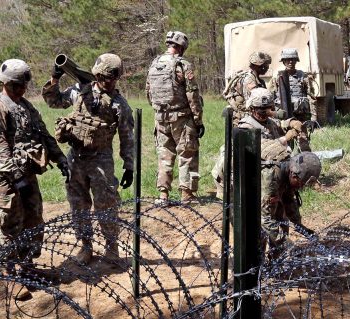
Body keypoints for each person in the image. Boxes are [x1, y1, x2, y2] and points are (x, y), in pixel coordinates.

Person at [0, 59, 69, 300]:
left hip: (26, 175)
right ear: (5, 82)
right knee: (10, 226)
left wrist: (60, 159)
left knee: (34, 221)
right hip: (5, 179)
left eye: (23, 85)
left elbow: (43, 134)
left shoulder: (26, 106)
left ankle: (27, 268)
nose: (21, 89)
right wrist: (15, 177)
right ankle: (10, 276)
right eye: (17, 85)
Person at [42, 53, 134, 264]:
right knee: (78, 204)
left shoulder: (119, 104)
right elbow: (54, 101)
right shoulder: (79, 92)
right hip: (76, 157)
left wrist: (129, 165)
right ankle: (85, 246)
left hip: (101, 159)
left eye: (112, 78)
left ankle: (112, 247)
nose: (107, 82)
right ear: (97, 75)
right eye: (103, 77)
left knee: (106, 204)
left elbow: (127, 136)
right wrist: (55, 79)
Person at [211, 88, 304, 198]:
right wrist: (285, 138)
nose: (264, 113)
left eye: (267, 109)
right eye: (260, 110)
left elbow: (281, 123)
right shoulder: (246, 127)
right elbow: (267, 149)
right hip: (237, 178)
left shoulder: (269, 122)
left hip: (257, 171)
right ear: (252, 109)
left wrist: (293, 122)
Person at [146, 30, 204, 204]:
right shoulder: (183, 65)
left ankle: (163, 194)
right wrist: (198, 120)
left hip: (160, 118)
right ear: (181, 46)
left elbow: (148, 94)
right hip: (182, 117)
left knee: (164, 154)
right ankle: (187, 194)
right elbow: (192, 94)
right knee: (187, 153)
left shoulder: (154, 64)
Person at [259, 148, 321, 258]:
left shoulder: (290, 169)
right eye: (300, 184)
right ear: (293, 175)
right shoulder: (271, 176)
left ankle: (275, 263)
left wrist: (302, 228)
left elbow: (288, 202)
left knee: (281, 218)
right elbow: (265, 219)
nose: (300, 188)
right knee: (257, 230)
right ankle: (256, 268)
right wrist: (288, 244)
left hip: (267, 184)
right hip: (232, 178)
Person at [268, 48, 315, 152]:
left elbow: (312, 98)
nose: (290, 62)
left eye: (293, 59)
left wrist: (313, 119)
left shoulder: (303, 76)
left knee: (303, 143)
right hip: (284, 117)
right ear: (283, 61)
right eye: (288, 59)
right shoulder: (277, 77)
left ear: (296, 61)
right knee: (285, 145)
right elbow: (270, 98)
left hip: (300, 116)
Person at [222, 51, 272, 125]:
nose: (267, 68)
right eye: (264, 65)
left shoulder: (259, 80)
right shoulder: (249, 80)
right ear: (257, 66)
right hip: (245, 119)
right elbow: (252, 103)